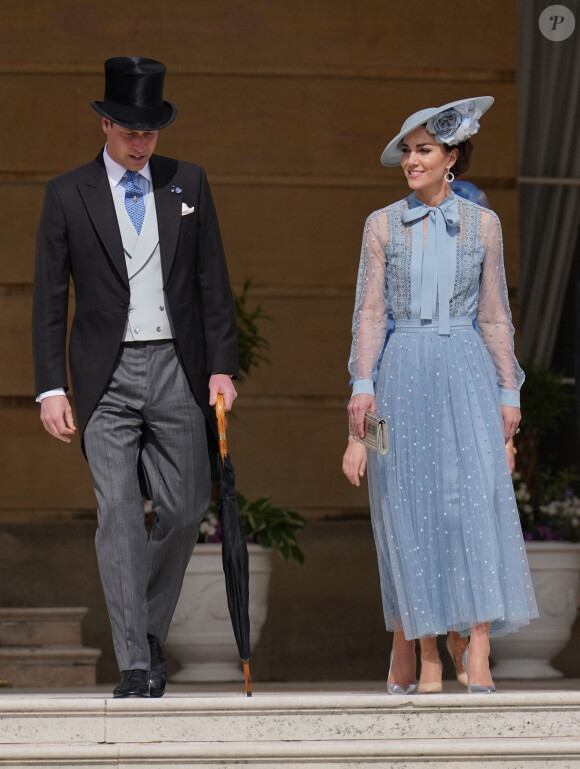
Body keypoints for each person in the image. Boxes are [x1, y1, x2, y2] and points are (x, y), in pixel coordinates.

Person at [32, 57, 238, 698]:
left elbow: (213, 286)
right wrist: (50, 386)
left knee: (182, 510)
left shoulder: (189, 183)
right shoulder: (67, 193)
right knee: (118, 513)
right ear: (104, 123)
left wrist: (223, 368)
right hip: (105, 376)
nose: (140, 140)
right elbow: (48, 298)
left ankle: (145, 627)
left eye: (150, 129)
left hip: (178, 367)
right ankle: (133, 661)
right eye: (128, 128)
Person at [346, 97, 538, 694]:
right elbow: (370, 316)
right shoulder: (381, 224)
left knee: (472, 505)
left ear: (451, 157)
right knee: (403, 506)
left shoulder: (484, 224)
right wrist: (361, 390)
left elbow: (496, 316)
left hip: (468, 372)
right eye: (407, 150)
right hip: (399, 376)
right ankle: (423, 647)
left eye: (423, 150)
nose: (411, 160)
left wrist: (510, 391)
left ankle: (475, 640)